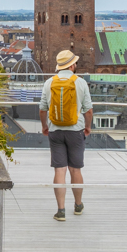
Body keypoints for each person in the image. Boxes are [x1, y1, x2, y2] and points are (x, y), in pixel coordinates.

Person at [39, 46, 93, 219]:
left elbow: (42, 109)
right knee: (75, 169)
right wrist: (88, 127)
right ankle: (78, 206)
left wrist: (44, 126)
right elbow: (88, 110)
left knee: (59, 170)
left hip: (55, 130)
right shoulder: (80, 82)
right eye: (75, 62)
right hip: (75, 131)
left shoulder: (49, 82)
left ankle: (60, 210)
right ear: (71, 66)